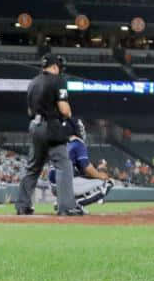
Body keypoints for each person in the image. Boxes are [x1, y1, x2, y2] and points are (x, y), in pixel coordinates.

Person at [15, 54, 82, 216]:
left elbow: (30, 111)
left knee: (32, 167)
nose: (60, 70)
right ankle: (66, 206)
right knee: (63, 165)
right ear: (53, 67)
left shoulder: (33, 82)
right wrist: (66, 114)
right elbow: (64, 110)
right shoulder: (58, 80)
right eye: (58, 67)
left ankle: (22, 205)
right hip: (51, 127)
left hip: (35, 126)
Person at [45, 119, 114, 211]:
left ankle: (63, 202)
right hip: (65, 185)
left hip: (53, 186)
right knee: (107, 183)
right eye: (80, 128)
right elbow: (87, 168)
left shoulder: (60, 143)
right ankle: (75, 205)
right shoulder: (77, 143)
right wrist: (100, 176)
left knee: (81, 177)